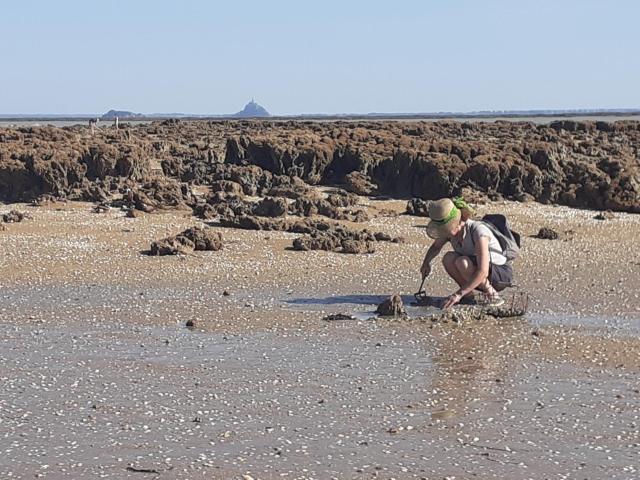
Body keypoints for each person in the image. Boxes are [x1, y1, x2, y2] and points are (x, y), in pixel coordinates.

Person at [420, 197, 513, 309]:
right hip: (475, 273)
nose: (445, 232)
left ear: (458, 221)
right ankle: (469, 295)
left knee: (462, 262)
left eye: (447, 227)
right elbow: (435, 247)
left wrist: (458, 294)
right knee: (448, 258)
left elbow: (483, 271)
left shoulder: (478, 231)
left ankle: (493, 294)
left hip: (499, 275)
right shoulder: (449, 233)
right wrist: (426, 263)